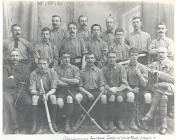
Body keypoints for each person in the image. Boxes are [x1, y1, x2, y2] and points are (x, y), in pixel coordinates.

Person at [141, 47, 174, 135]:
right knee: (163, 97)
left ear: (167, 54)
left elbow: (173, 79)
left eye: (163, 52)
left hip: (169, 88)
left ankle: (149, 115)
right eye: (159, 53)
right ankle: (164, 125)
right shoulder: (154, 64)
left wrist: (160, 74)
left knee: (162, 87)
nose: (160, 55)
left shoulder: (172, 64)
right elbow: (144, 68)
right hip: (159, 92)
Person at [3, 49, 31, 134]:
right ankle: (15, 127)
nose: (15, 58)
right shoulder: (5, 67)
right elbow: (4, 82)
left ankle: (21, 123)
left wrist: (12, 77)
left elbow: (25, 78)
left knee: (28, 102)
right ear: (9, 57)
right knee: (9, 102)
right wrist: (15, 79)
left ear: (20, 57)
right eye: (13, 56)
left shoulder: (23, 67)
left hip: (21, 89)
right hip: (8, 91)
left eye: (16, 56)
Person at [78, 52, 108, 129]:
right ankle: (77, 120)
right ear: (85, 59)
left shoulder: (99, 71)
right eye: (88, 58)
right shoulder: (81, 72)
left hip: (96, 91)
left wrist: (103, 90)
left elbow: (101, 85)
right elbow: (80, 87)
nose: (90, 60)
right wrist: (88, 93)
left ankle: (102, 120)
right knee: (77, 97)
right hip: (85, 91)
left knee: (104, 97)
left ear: (94, 59)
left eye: (92, 58)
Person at [29, 58, 58, 134]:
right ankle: (34, 124)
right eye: (40, 64)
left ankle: (53, 122)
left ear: (48, 64)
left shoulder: (52, 72)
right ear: (37, 64)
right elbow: (32, 90)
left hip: (49, 92)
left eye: (44, 64)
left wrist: (47, 95)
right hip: (39, 92)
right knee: (34, 98)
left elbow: (53, 89)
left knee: (53, 97)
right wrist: (38, 92)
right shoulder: (33, 73)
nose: (42, 66)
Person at [125, 48, 150, 131]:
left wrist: (139, 75)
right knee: (131, 96)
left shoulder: (142, 67)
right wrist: (132, 89)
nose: (134, 57)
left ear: (138, 56)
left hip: (141, 87)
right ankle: (132, 120)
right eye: (132, 55)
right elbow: (124, 83)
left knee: (147, 97)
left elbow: (145, 84)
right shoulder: (125, 68)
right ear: (129, 56)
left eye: (136, 55)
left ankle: (143, 119)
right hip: (129, 88)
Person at [55, 51, 80, 133]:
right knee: (59, 102)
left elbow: (76, 81)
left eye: (68, 57)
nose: (67, 59)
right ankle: (61, 121)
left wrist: (63, 79)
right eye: (64, 57)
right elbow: (56, 81)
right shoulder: (57, 68)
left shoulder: (75, 68)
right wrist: (69, 81)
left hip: (72, 90)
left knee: (70, 98)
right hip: (61, 90)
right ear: (61, 59)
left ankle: (67, 123)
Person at [102, 51, 128, 130]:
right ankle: (111, 120)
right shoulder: (104, 69)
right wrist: (109, 88)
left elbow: (124, 83)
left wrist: (117, 89)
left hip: (119, 89)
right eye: (109, 57)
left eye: (113, 57)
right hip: (109, 90)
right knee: (112, 97)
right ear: (107, 58)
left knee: (120, 98)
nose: (111, 59)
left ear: (116, 58)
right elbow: (103, 83)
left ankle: (119, 120)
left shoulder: (121, 68)